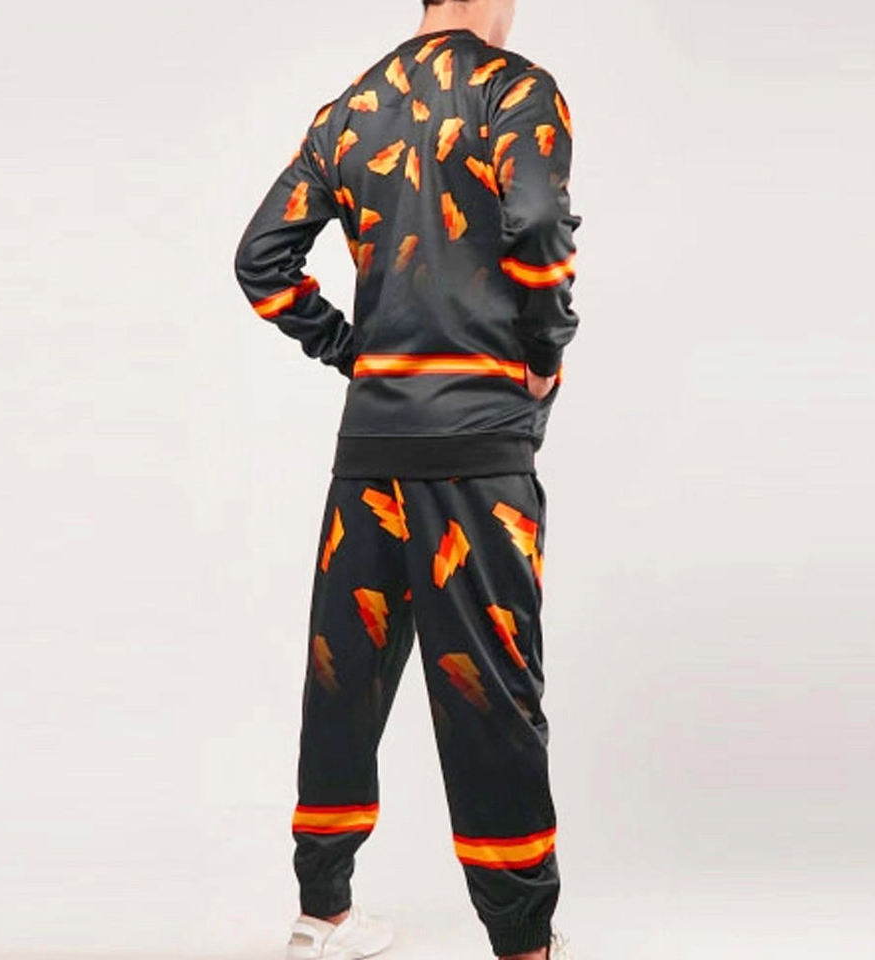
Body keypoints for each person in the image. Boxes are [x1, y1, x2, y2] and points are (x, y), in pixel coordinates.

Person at [233, 0, 582, 956]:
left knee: (342, 676)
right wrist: (545, 349)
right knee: (492, 691)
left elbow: (261, 260)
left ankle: (322, 914)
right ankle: (525, 943)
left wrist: (352, 351)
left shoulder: (349, 109)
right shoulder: (515, 91)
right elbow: (536, 217)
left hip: (372, 447)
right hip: (476, 446)